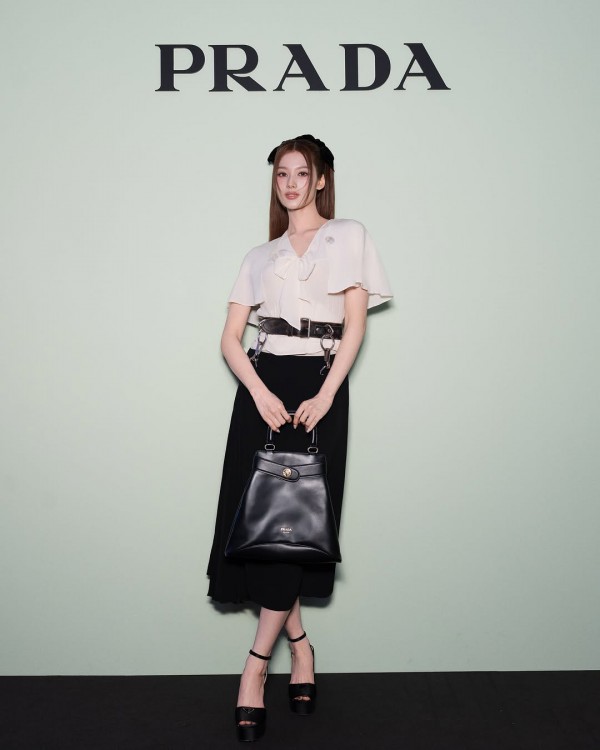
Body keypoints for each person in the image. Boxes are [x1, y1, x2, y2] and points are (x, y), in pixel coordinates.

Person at [206, 134, 392, 742]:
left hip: (320, 386)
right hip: (263, 388)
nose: (290, 183)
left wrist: (328, 393)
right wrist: (259, 392)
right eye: (282, 174)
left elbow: (355, 326)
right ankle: (301, 648)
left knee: (299, 524)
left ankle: (255, 667)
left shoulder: (349, 236)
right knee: (263, 526)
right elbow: (230, 338)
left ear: (321, 180)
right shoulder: (260, 255)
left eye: (301, 173)